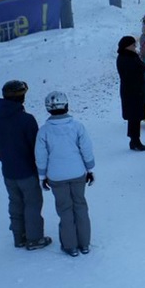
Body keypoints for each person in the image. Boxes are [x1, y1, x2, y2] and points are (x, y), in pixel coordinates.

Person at [35, 91, 95, 257]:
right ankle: (84, 244)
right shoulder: (77, 126)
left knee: (65, 209)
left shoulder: (44, 131)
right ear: (67, 106)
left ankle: (70, 245)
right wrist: (90, 169)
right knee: (80, 206)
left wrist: (42, 176)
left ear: (48, 109)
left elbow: (41, 156)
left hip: (56, 176)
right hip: (77, 173)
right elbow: (87, 149)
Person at [0, 80, 51, 250]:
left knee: (15, 202)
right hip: (27, 171)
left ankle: (18, 236)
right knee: (32, 203)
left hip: (8, 171)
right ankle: (34, 238)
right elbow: (35, 148)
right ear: (21, 97)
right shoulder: (26, 120)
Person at [116, 35, 145, 151]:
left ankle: (134, 140)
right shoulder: (127, 58)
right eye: (133, 45)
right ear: (127, 46)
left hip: (133, 91)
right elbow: (136, 71)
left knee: (134, 117)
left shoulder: (127, 56)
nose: (135, 47)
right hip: (133, 91)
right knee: (134, 117)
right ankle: (136, 141)